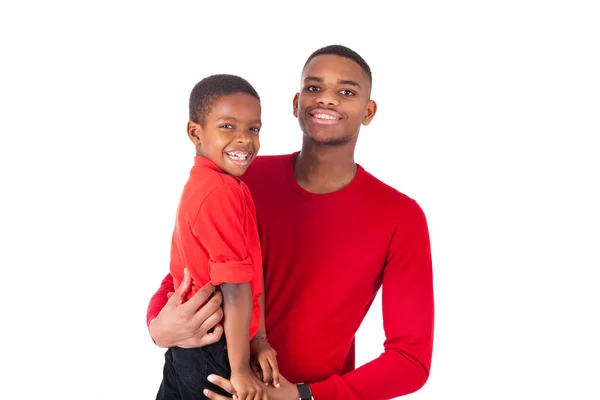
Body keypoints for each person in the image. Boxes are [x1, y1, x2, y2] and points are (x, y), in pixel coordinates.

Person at [147, 45, 435, 400]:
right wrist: (158, 326)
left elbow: (410, 361)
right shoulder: (242, 179)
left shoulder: (400, 217)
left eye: (346, 92)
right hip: (216, 382)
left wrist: (300, 395)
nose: (327, 100)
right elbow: (188, 267)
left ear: (369, 110)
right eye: (314, 88)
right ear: (296, 103)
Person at [154, 74, 279, 400]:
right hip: (214, 351)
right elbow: (235, 286)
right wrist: (238, 369)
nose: (244, 139)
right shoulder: (219, 192)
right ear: (195, 132)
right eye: (228, 126)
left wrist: (259, 340)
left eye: (254, 128)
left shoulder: (222, 185)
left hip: (194, 352)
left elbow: (251, 270)